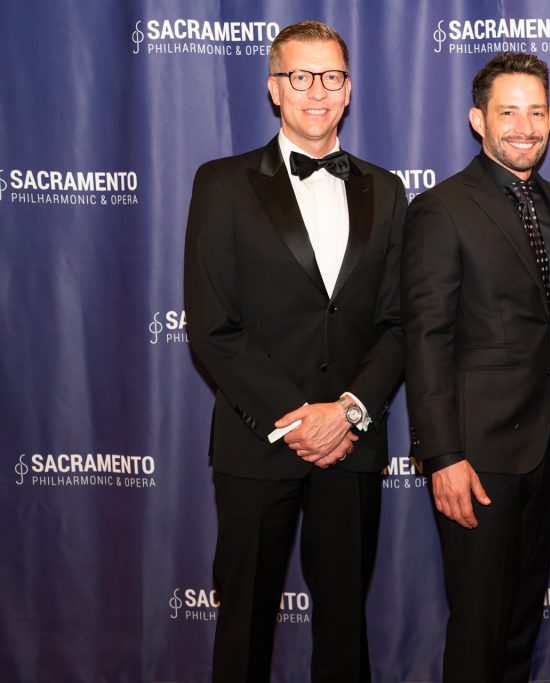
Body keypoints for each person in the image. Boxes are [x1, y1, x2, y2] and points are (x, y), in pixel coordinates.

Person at [184, 20, 406, 683]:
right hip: (259, 441)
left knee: (344, 630)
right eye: (300, 76)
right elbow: (213, 327)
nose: (317, 91)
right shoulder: (222, 183)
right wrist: (299, 419)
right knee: (244, 627)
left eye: (331, 77)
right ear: (274, 88)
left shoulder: (386, 189)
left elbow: (398, 322)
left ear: (348, 90)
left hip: (351, 442)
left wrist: (347, 411)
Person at [401, 52, 550, 683]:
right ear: (478, 120)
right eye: (509, 112)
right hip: (476, 455)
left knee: (521, 624)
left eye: (537, 112)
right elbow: (426, 339)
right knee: (479, 628)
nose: (525, 127)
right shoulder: (442, 208)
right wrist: (442, 456)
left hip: (543, 450)